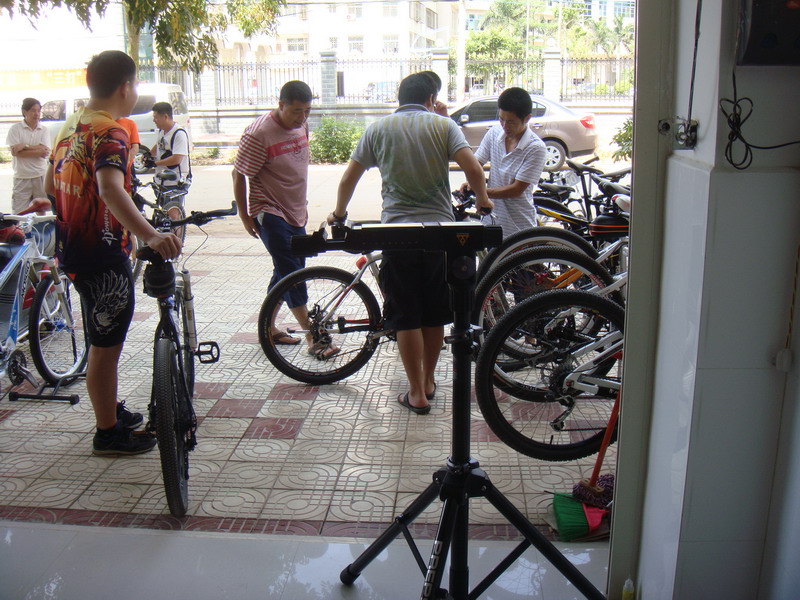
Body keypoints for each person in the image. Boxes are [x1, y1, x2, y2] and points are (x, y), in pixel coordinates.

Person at [331, 72, 492, 414]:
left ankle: (416, 392)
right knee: (434, 313)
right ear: (431, 98)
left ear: (400, 98)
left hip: (397, 233)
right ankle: (429, 380)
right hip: (439, 233)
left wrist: (339, 213)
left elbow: (349, 178)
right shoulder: (443, 126)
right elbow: (473, 169)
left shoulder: (378, 129)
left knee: (406, 314)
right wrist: (483, 200)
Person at [48, 50, 182, 455]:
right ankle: (108, 433)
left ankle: (109, 410)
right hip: (103, 256)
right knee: (106, 347)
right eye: (136, 84)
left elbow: (51, 186)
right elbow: (110, 189)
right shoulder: (111, 131)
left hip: (73, 250)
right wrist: (151, 236)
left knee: (99, 338)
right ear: (125, 87)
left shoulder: (72, 126)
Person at [232, 80, 338, 357]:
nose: (302, 117)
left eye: (307, 111)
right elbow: (238, 174)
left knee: (286, 269)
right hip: (270, 212)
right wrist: (245, 215)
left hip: (295, 211)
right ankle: (314, 337)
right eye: (296, 111)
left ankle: (267, 327)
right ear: (281, 105)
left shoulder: (301, 124)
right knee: (292, 272)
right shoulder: (259, 134)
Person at [460, 87, 546, 238]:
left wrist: (481, 192)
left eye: (511, 122)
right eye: (501, 119)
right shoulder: (494, 133)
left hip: (518, 226)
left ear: (527, 118)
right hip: (491, 219)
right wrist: (471, 182)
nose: (505, 126)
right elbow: (476, 163)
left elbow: (516, 190)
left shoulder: (536, 148)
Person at [5, 98, 50, 214]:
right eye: (33, 110)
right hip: (22, 177)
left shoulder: (44, 130)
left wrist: (24, 146)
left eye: (38, 110)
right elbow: (15, 153)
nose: (37, 114)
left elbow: (45, 150)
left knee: (41, 212)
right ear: (24, 112)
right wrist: (38, 150)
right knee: (19, 213)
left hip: (40, 176)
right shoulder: (15, 129)